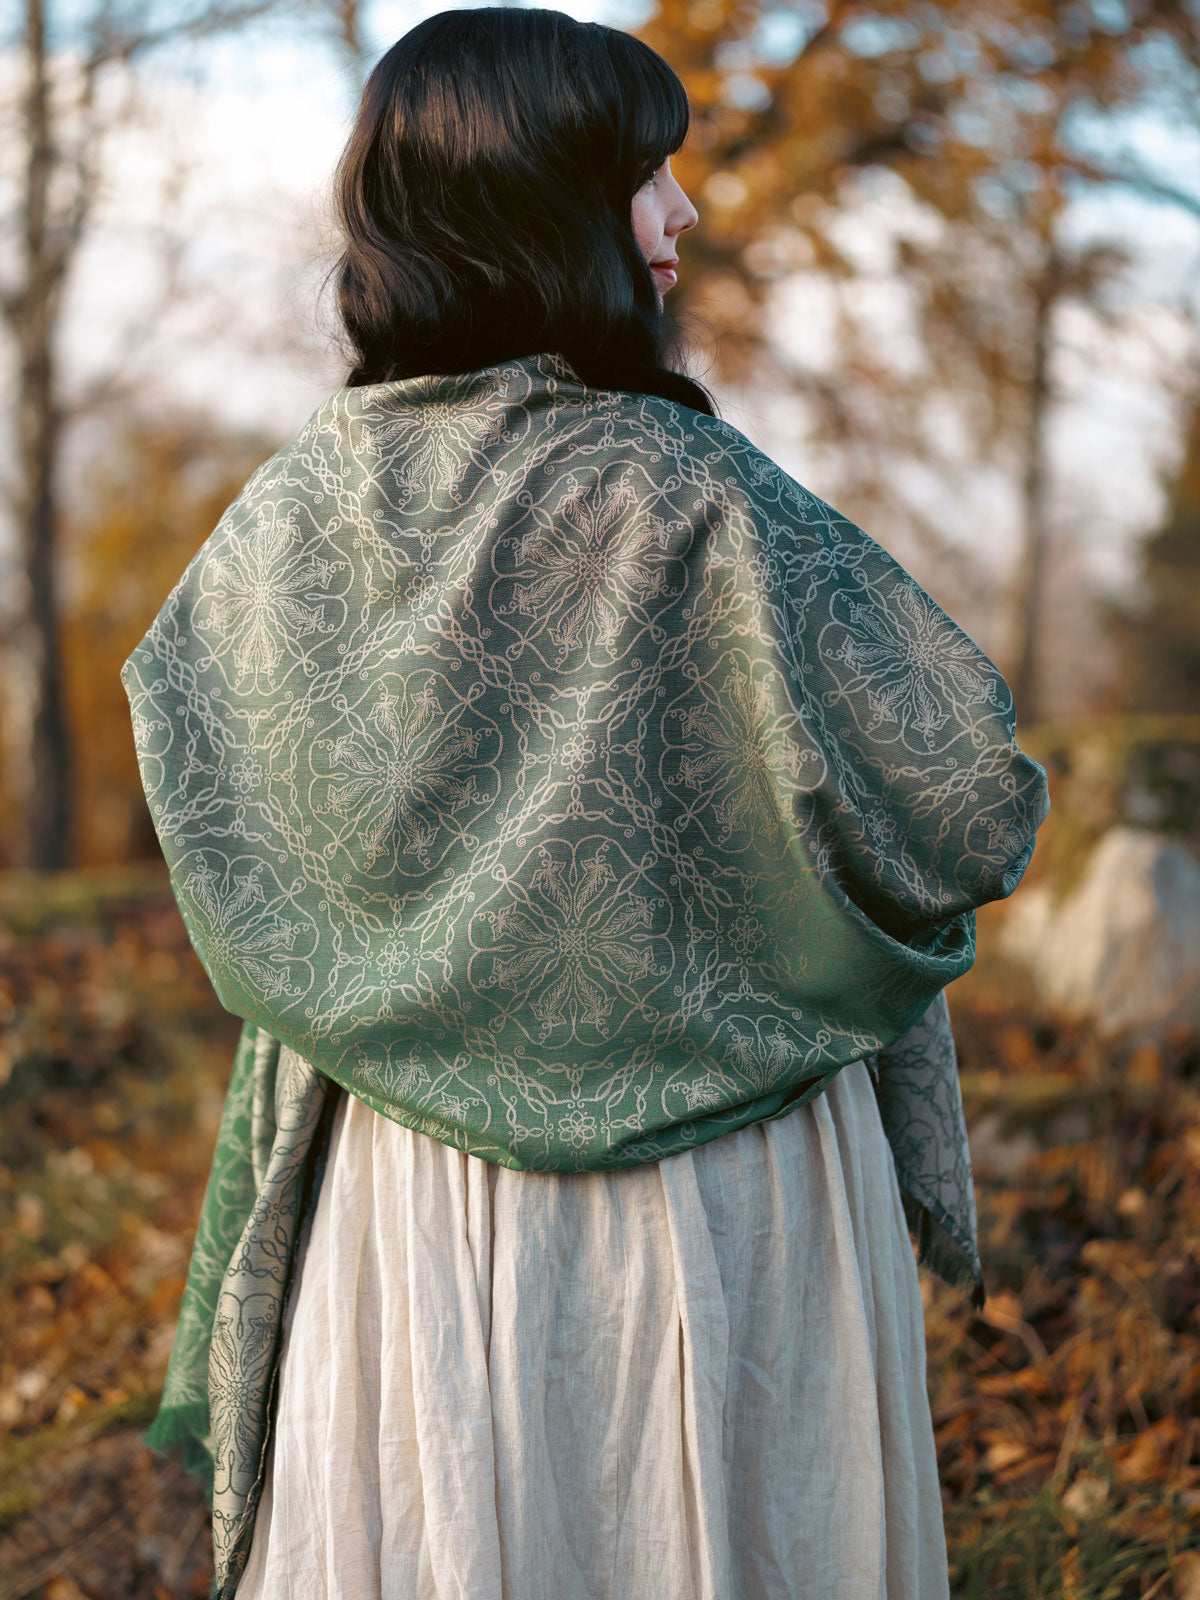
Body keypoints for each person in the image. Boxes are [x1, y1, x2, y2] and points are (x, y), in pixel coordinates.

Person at [125, 9, 1051, 1599]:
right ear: (544, 206)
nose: (682, 211)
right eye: (643, 174)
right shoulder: (685, 494)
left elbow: (214, 791)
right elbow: (971, 790)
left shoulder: (290, 515)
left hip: (402, 1198)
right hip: (714, 1198)